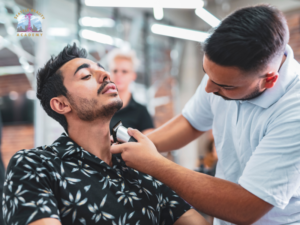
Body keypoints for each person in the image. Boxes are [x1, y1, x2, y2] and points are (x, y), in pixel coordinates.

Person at [111, 5, 300, 225]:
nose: (209, 89)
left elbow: (246, 207)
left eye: (223, 85)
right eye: (206, 74)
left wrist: (155, 164)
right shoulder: (221, 71)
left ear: (269, 80)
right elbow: (191, 122)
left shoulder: (294, 111)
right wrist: (135, 144)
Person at [2, 44, 208, 225]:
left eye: (102, 70)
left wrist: (156, 164)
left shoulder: (138, 167)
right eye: (86, 76)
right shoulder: (36, 165)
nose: (107, 75)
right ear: (61, 104)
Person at [107, 49, 154, 135]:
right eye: (115, 71)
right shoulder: (99, 107)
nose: (119, 75)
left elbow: (150, 143)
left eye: (124, 71)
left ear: (133, 76)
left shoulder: (141, 112)